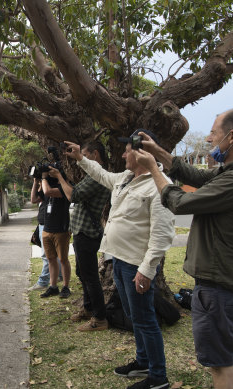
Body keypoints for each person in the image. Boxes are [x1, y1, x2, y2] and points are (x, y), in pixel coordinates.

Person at [133, 109, 233, 389]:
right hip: (231, 280)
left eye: (214, 132)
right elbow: (196, 176)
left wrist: (154, 169)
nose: (210, 138)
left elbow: (180, 203)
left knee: (220, 366)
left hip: (219, 284)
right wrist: (160, 153)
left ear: (231, 136)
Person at [63, 131, 175, 389]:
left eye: (127, 151)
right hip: (120, 261)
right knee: (133, 316)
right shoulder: (126, 178)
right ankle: (143, 361)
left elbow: (162, 234)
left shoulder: (158, 184)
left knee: (145, 319)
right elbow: (102, 175)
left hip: (137, 265)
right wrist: (81, 158)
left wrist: (147, 271)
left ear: (142, 153)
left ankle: (158, 377)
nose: (123, 154)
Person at [47, 142, 111, 331]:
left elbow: (73, 196)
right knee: (82, 273)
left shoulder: (98, 177)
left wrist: (59, 177)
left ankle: (100, 319)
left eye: (82, 154)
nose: (78, 158)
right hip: (81, 231)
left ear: (95, 154)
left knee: (90, 276)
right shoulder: (92, 175)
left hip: (87, 232)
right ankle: (89, 308)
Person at [39, 168, 72, 298]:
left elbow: (48, 191)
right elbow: (35, 197)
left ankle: (66, 287)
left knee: (63, 259)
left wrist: (43, 178)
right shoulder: (47, 184)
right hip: (47, 229)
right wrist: (37, 180)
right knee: (51, 259)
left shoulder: (65, 187)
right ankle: (53, 287)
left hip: (61, 230)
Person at [28, 176, 62, 291]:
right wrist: (35, 182)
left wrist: (43, 179)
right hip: (43, 224)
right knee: (52, 255)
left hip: (51, 225)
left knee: (47, 256)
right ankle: (58, 275)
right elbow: (33, 199)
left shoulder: (57, 187)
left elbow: (47, 191)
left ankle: (43, 282)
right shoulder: (44, 189)